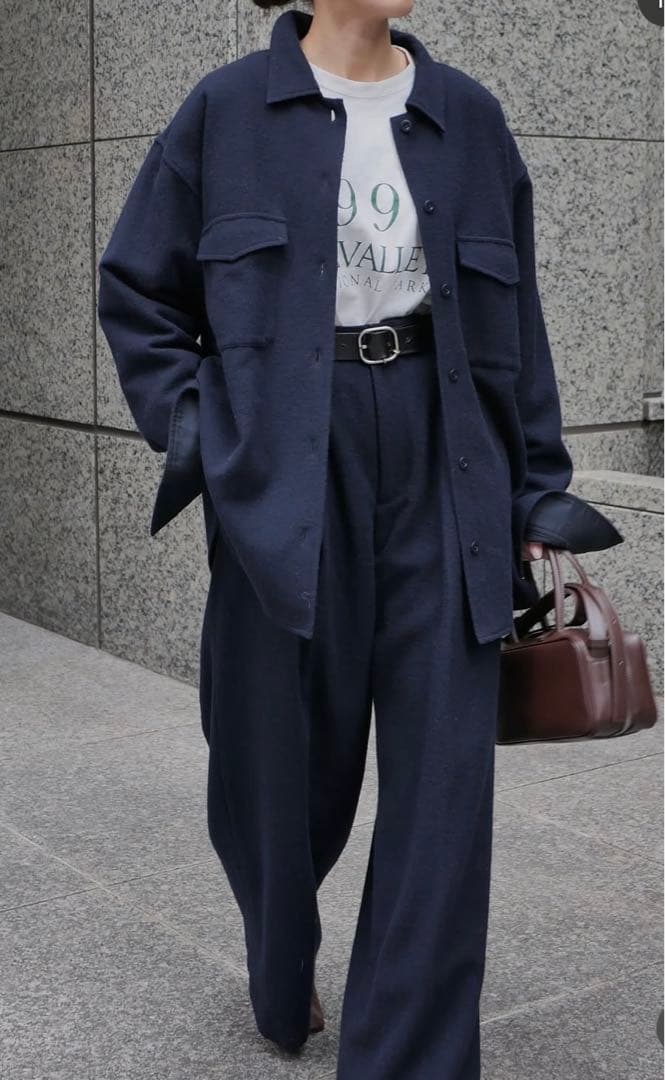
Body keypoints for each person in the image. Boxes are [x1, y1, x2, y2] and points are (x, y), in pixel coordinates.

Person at [97, 2, 574, 1076]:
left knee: (443, 778)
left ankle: (407, 1055)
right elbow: (138, 290)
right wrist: (206, 433)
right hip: (284, 452)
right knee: (275, 764)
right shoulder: (226, 111)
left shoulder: (468, 118)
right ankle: (280, 955)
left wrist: (536, 492)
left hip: (445, 452)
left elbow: (518, 326)